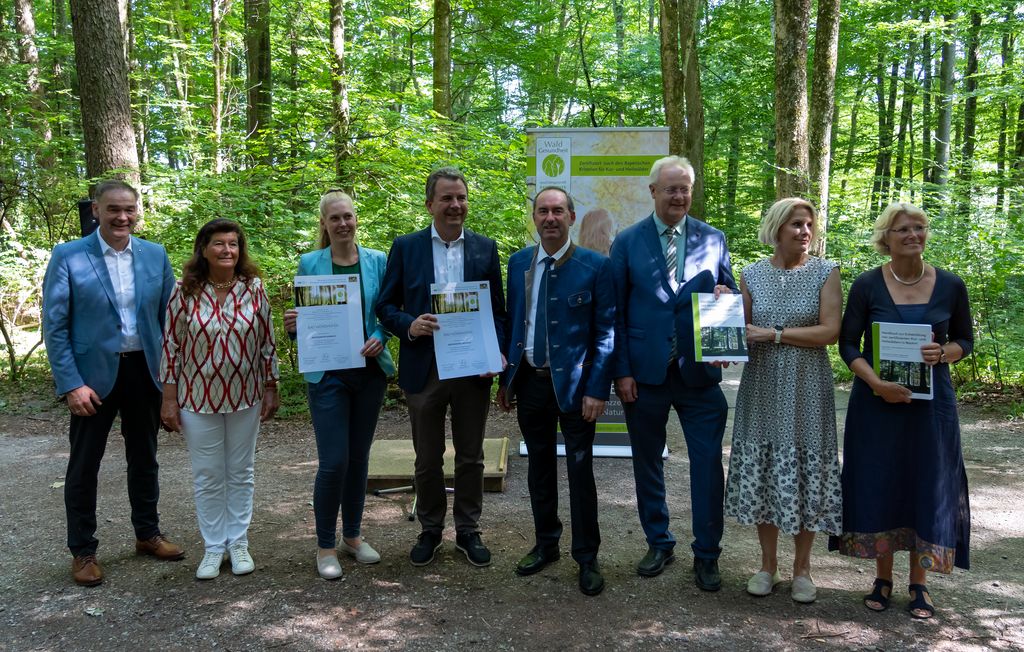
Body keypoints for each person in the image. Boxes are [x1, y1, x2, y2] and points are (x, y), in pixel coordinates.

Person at [829, 203, 972, 619]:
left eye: (920, 227)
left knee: (925, 482)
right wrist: (875, 383)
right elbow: (848, 345)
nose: (914, 234)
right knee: (881, 481)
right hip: (877, 404)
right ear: (885, 238)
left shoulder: (950, 285)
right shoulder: (868, 285)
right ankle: (882, 578)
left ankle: (920, 584)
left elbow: (965, 340)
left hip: (932, 408)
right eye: (903, 229)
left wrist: (945, 352)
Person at [42, 179, 185, 587]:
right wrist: (71, 383)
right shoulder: (69, 255)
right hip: (92, 379)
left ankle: (147, 533)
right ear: (96, 212)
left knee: (145, 458)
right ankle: (83, 551)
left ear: (137, 211)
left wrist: (172, 379)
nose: (122, 217)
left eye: (129, 209)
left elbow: (169, 321)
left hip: (145, 371)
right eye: (113, 210)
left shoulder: (154, 256)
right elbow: (55, 324)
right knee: (84, 465)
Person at [609, 155, 736, 591]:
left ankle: (707, 553)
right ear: (653, 192)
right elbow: (616, 314)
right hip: (644, 375)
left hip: (699, 375)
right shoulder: (626, 242)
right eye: (671, 189)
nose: (679, 196)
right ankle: (659, 541)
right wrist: (621, 371)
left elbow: (729, 292)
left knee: (706, 465)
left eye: (685, 188)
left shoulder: (713, 238)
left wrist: (725, 293)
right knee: (647, 463)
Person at [376, 167, 507, 568]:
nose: (456, 205)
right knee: (427, 457)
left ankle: (468, 530)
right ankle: (430, 529)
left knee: (471, 456)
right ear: (430, 203)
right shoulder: (407, 247)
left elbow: (499, 313)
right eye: (447, 198)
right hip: (424, 368)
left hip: (472, 371)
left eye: (461, 198)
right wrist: (409, 326)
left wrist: (496, 352)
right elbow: (385, 306)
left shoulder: (485, 248)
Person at [724, 197, 843, 603]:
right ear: (776, 229)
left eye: (809, 224)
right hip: (762, 383)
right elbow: (739, 331)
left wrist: (774, 334)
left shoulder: (827, 271)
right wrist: (721, 323)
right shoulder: (751, 274)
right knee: (766, 470)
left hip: (808, 386)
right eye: (796, 224)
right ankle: (767, 565)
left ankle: (803, 570)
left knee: (807, 471)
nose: (805, 232)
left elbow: (829, 332)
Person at [498, 187, 615, 596]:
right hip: (530, 381)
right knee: (539, 467)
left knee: (581, 473)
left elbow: (606, 333)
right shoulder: (517, 264)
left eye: (558, 211)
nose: (550, 218)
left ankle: (587, 556)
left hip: (578, 388)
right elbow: (513, 324)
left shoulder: (595, 266)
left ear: (571, 216)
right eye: (543, 211)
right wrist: (506, 381)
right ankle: (546, 544)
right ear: (534, 217)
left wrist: (598, 389)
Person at [283, 190, 395, 580]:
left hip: (368, 372)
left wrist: (381, 333)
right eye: (335, 219)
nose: (343, 224)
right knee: (334, 462)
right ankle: (324, 545)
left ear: (356, 218)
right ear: (324, 224)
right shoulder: (309, 263)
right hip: (327, 375)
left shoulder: (377, 261)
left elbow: (387, 311)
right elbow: (307, 321)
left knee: (359, 459)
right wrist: (295, 327)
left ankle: (352, 537)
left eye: (348, 216)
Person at [160, 218, 280, 580]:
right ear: (204, 248)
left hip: (246, 395)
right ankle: (214, 547)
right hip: (197, 397)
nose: (227, 250)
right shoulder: (185, 289)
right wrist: (169, 397)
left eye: (233, 243)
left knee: (241, 472)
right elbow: (171, 344)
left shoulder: (254, 288)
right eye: (219, 243)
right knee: (208, 473)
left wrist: (271, 387)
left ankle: (238, 542)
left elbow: (267, 341)